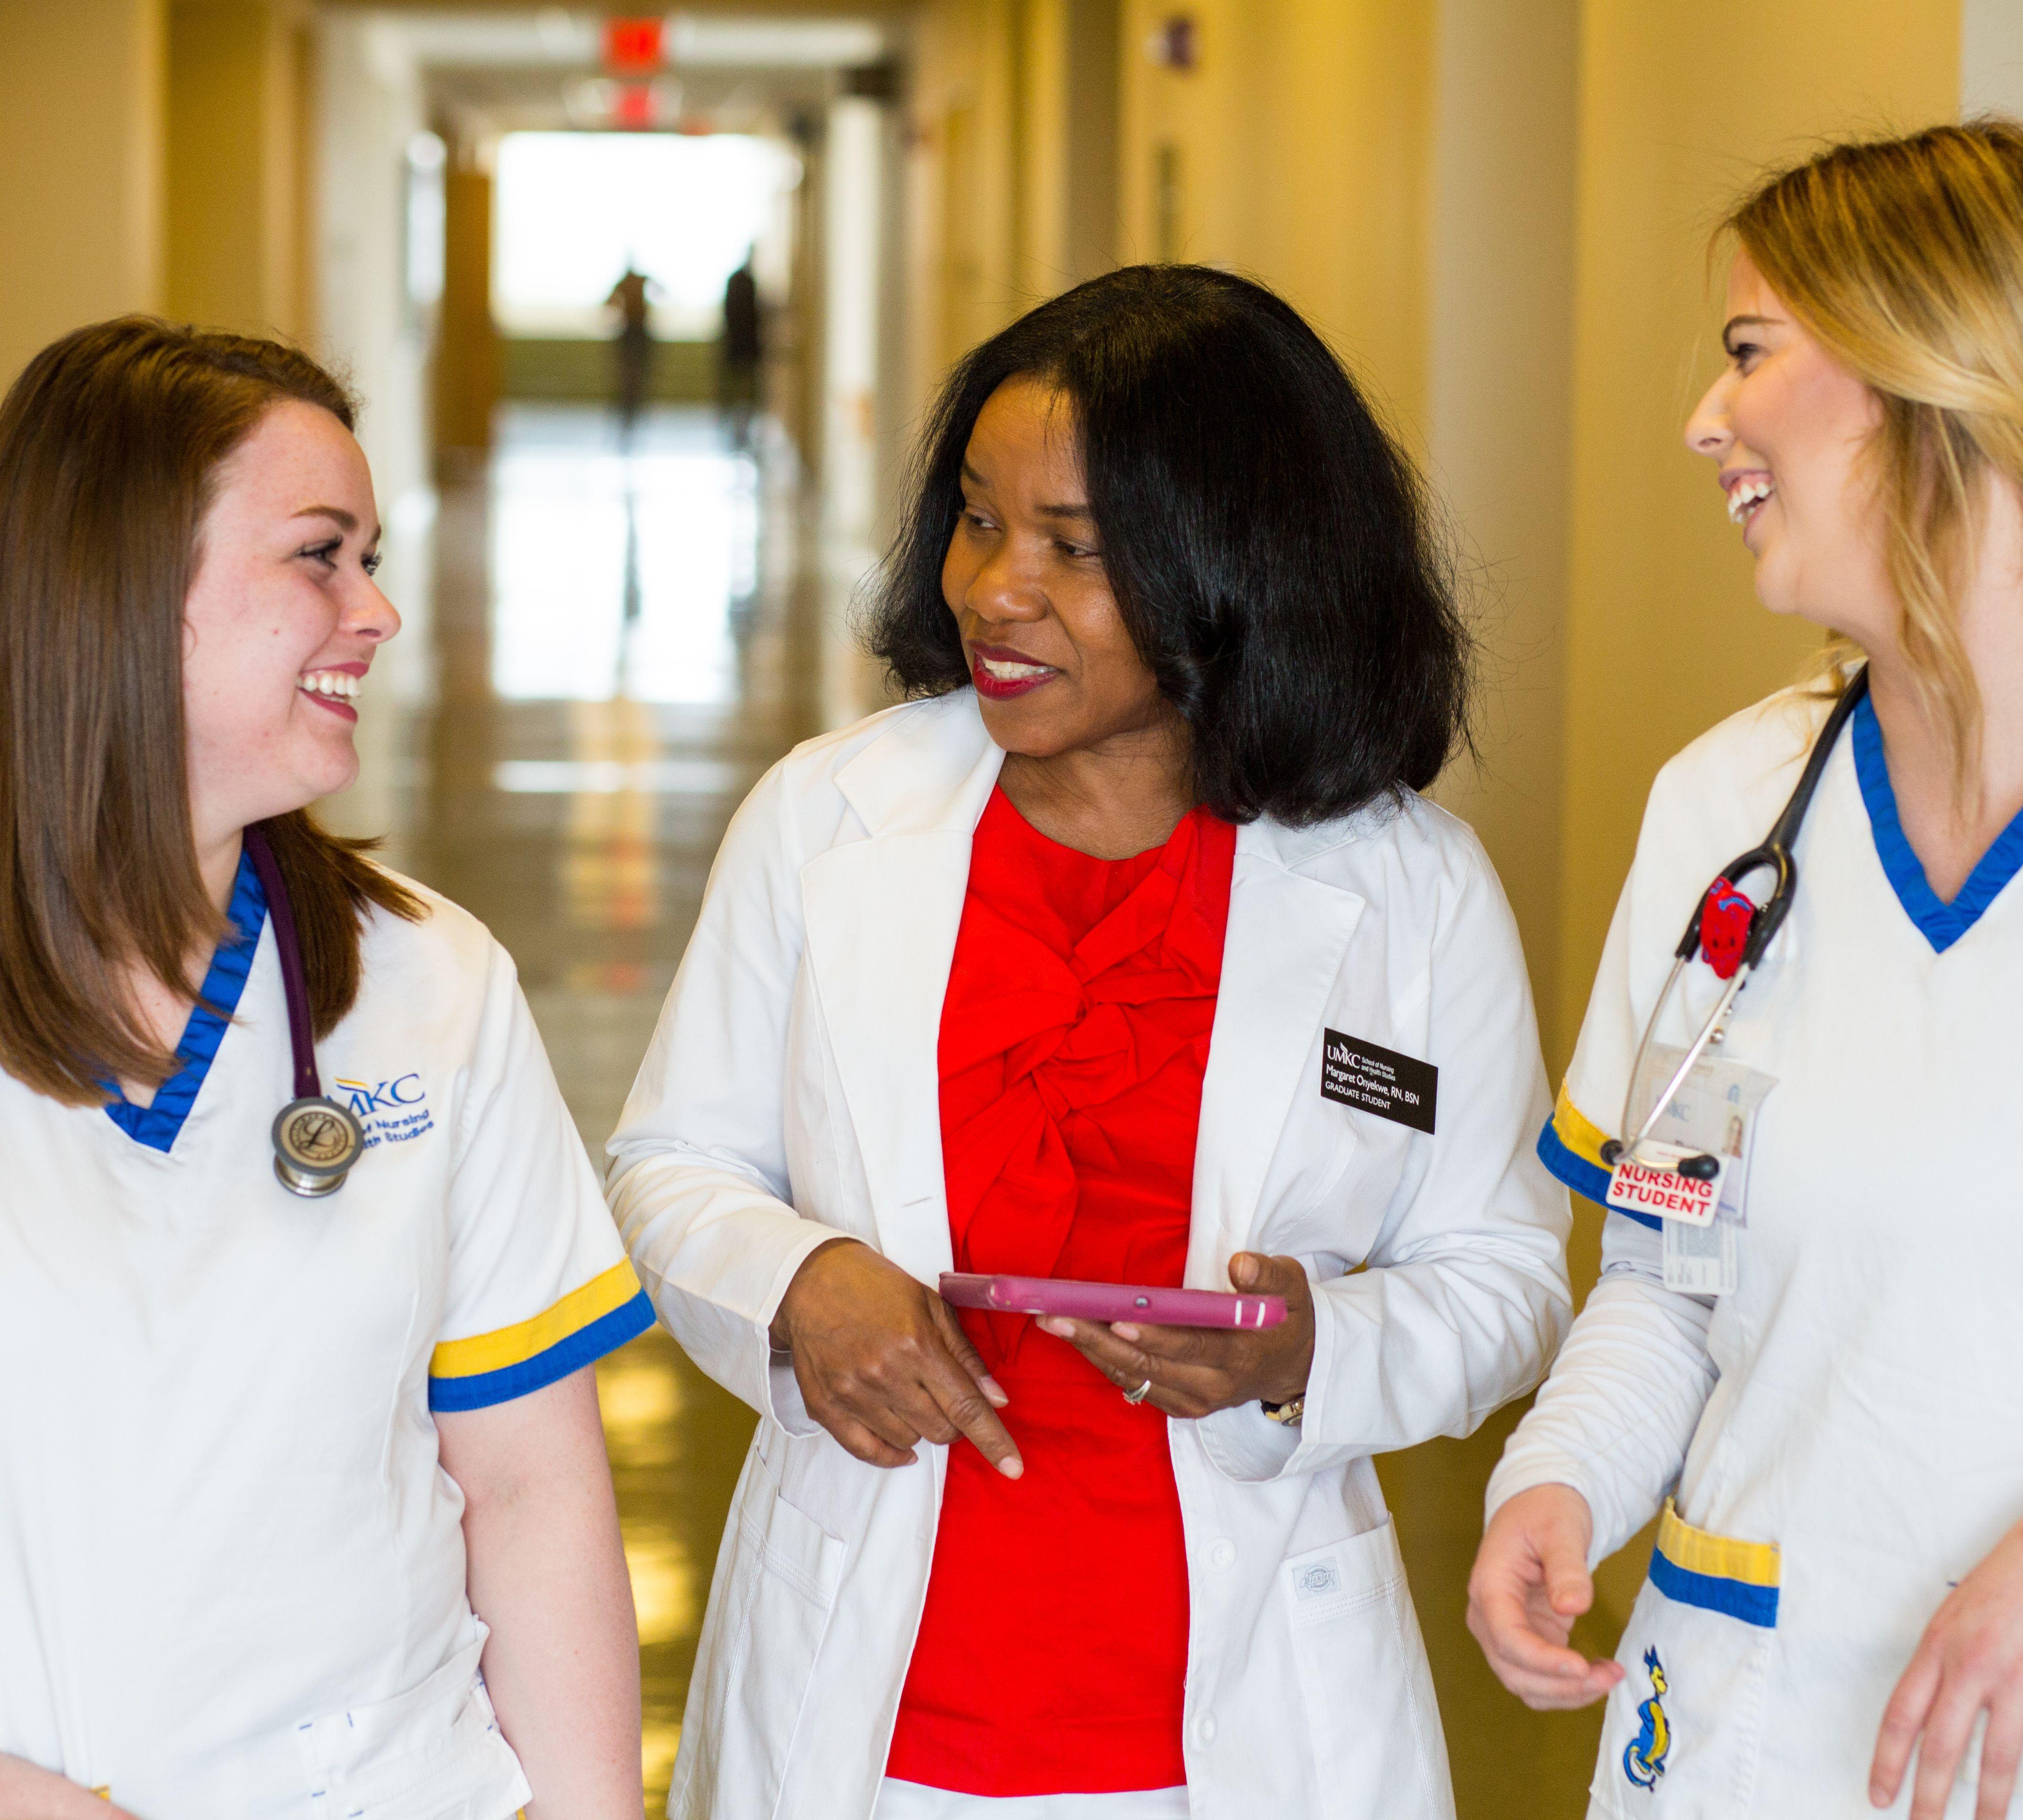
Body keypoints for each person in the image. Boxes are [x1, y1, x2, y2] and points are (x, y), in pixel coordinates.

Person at [1468, 120, 2023, 1820]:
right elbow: (1664, 1279)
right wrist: (1557, 1484)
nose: (1701, 421)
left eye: (1747, 355)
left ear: (1926, 369)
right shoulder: (1730, 813)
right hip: (1741, 1723)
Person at [0, 319, 648, 1820]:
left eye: (371, 556)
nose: (376, 611)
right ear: (117, 583)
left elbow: (529, 1480)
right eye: (322, 553)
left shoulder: (433, 984)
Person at [608, 264, 1570, 1820]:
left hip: (1243, 1724)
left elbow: (1505, 1279)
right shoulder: (830, 816)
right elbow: (674, 1157)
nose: (998, 589)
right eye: (982, 522)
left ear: (1239, 565)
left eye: (1076, 548)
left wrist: (1316, 1348)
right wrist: (797, 1282)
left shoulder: (1404, 887)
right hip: (879, 1713)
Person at [718, 251, 763, 442]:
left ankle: (737, 412)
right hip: (741, 339)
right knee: (739, 379)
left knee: (741, 380)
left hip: (740, 339)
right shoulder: (744, 282)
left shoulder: (742, 281)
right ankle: (734, 412)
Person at [607, 265, 654, 431]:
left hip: (639, 331)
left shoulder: (638, 280)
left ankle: (635, 402)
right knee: (628, 371)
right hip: (631, 332)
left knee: (637, 371)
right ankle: (629, 402)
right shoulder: (625, 283)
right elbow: (609, 303)